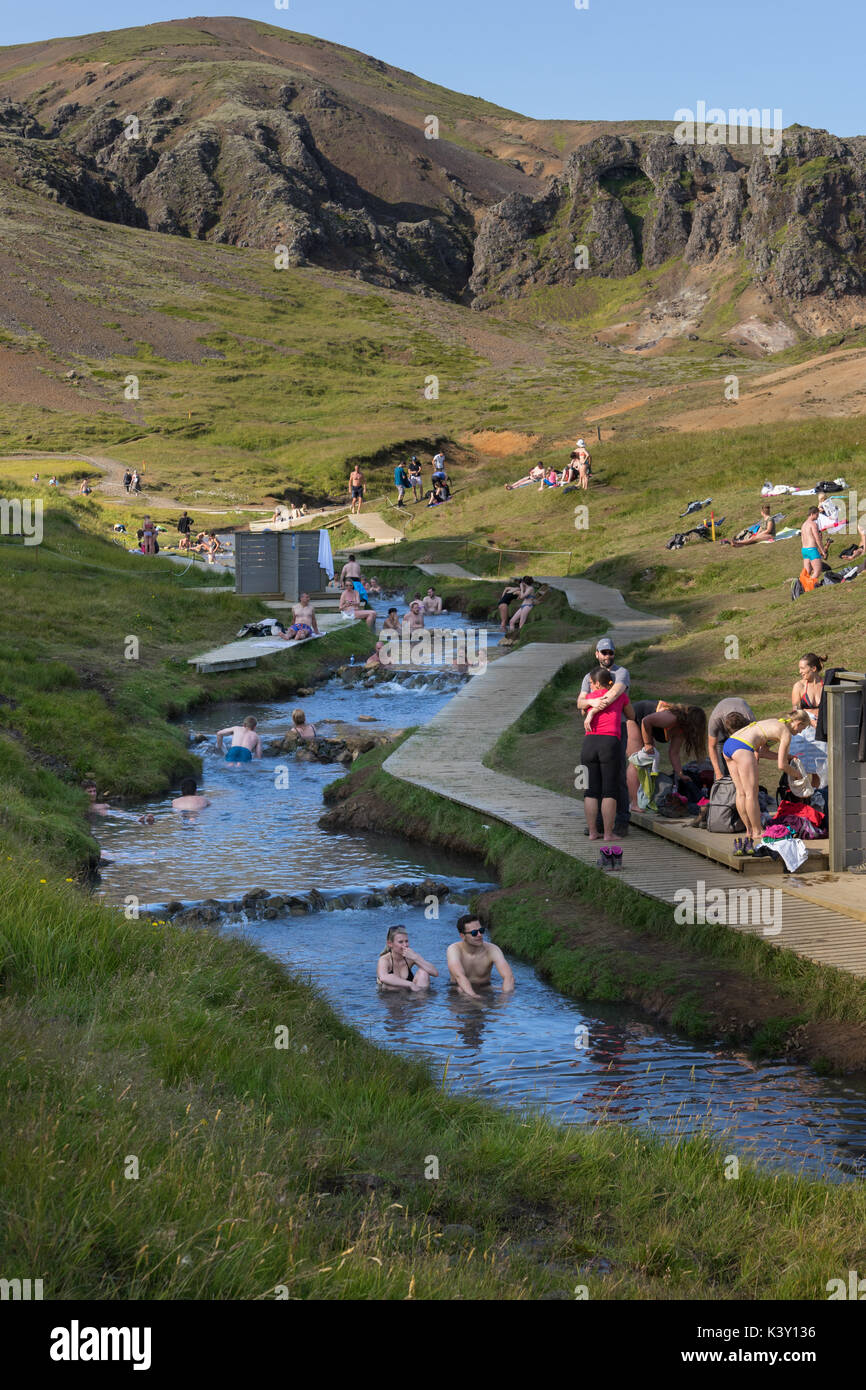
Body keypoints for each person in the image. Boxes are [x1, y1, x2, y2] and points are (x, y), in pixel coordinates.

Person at [722, 710, 813, 842]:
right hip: (743, 747)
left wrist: (788, 757)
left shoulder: (775, 723)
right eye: (802, 728)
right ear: (798, 723)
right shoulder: (785, 733)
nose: (800, 732)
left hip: (729, 744)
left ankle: (749, 830)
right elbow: (782, 766)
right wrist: (798, 775)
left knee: (741, 792)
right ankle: (758, 831)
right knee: (751, 794)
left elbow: (764, 753)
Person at [576, 638, 631, 834]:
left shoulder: (621, 673)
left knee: (618, 775)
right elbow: (579, 702)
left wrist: (591, 709)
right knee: (595, 779)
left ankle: (622, 820)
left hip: (617, 728)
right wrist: (588, 706)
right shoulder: (588, 676)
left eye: (610, 652)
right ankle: (598, 823)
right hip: (594, 732)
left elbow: (614, 694)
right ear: (597, 654)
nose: (608, 656)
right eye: (604, 652)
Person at [626, 700, 707, 809]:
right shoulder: (671, 718)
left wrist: (680, 774)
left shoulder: (681, 730)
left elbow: (674, 753)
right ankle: (634, 803)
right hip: (634, 718)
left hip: (645, 726)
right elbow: (646, 721)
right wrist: (648, 743)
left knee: (647, 765)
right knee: (637, 764)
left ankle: (642, 800)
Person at [447, 915, 514, 998]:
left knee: (511, 991)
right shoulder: (454, 949)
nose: (479, 935)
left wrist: (504, 998)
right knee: (462, 991)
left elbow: (508, 976)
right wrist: (474, 996)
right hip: (458, 988)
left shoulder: (492, 949)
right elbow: (459, 976)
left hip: (484, 987)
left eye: (481, 930)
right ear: (462, 936)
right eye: (474, 933)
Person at [377, 925, 438, 992]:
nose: (405, 945)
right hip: (392, 997)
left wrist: (415, 957)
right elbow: (383, 977)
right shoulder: (385, 959)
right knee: (389, 985)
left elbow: (435, 973)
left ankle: (421, 998)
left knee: (423, 973)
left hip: (411, 995)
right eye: (401, 942)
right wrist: (410, 984)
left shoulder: (410, 956)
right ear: (390, 944)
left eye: (406, 941)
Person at [707, 697, 755, 780]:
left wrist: (753, 766)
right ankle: (721, 786)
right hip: (722, 717)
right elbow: (711, 746)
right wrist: (718, 772)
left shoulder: (749, 719)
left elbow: (756, 746)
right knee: (720, 747)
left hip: (741, 710)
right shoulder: (715, 720)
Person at [792, 652, 826, 723]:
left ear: (813, 668)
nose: (800, 672)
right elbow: (795, 713)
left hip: (825, 725)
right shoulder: (799, 686)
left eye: (802, 668)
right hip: (806, 726)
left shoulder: (826, 684)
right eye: (799, 668)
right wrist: (810, 721)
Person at [801, 506, 827, 580]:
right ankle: (809, 586)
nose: (817, 517)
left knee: (807, 572)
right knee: (817, 571)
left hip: (804, 550)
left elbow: (802, 539)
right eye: (817, 515)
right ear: (812, 514)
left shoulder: (803, 525)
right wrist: (823, 551)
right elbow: (817, 539)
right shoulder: (813, 524)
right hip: (812, 549)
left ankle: (802, 586)